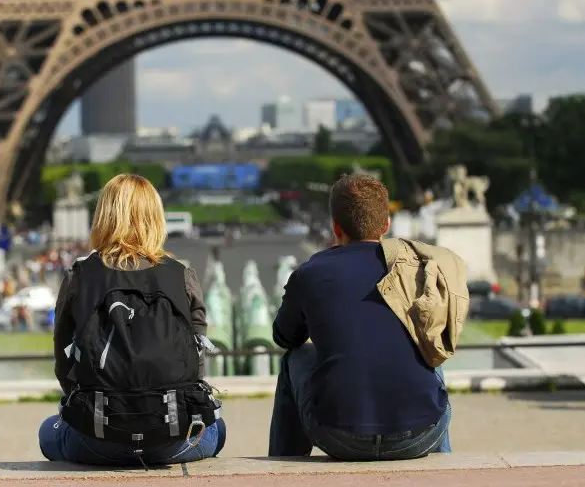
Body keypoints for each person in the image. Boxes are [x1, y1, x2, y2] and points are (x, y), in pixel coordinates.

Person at [269, 174, 468, 461]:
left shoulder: (310, 272)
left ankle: (283, 464)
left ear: (335, 227)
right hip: (422, 435)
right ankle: (444, 467)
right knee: (430, 352)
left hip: (339, 435)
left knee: (295, 359)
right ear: (386, 224)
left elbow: (284, 337)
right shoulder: (414, 269)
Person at [39, 174, 225, 467]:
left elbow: (65, 367)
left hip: (97, 439)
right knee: (217, 428)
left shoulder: (79, 277)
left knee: (47, 430)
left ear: (103, 216)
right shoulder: (181, 276)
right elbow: (196, 363)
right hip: (173, 439)